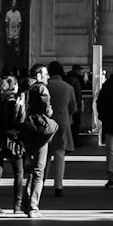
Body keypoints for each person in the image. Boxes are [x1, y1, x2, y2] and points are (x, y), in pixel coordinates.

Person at [0, 73, 26, 215]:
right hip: (12, 140)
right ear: (14, 86)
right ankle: (17, 205)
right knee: (18, 172)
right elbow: (17, 122)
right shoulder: (14, 102)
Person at [21, 63, 54, 217]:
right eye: (45, 74)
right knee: (39, 169)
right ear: (38, 75)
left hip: (25, 129)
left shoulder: (24, 86)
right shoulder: (41, 89)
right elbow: (47, 110)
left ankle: (25, 201)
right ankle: (33, 206)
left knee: (30, 167)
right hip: (38, 130)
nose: (47, 77)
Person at [46, 61, 78, 196]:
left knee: (44, 156)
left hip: (46, 123)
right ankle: (58, 186)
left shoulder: (45, 86)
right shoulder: (68, 87)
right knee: (59, 155)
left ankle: (39, 182)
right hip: (62, 123)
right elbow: (73, 108)